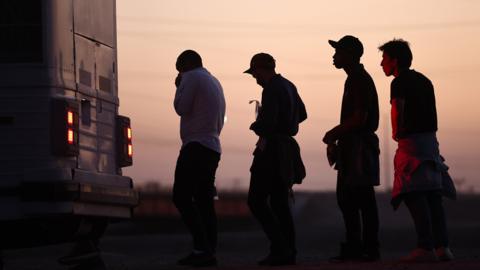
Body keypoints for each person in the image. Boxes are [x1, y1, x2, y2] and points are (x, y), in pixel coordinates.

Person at [379, 39, 456, 262]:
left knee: (412, 191)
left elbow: (398, 108)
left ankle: (425, 246)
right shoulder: (425, 81)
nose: (381, 63)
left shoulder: (399, 82)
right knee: (433, 193)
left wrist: (396, 132)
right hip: (431, 141)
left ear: (394, 61)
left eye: (384, 59)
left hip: (411, 142)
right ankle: (443, 247)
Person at [244, 53, 307, 266]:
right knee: (280, 203)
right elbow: (303, 114)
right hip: (285, 150)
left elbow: (268, 124)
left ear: (261, 69)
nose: (255, 78)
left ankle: (279, 248)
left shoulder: (270, 89)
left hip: (271, 150)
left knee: (256, 201)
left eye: (255, 74)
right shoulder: (289, 85)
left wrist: (256, 124)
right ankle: (289, 252)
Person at [323, 35, 381, 262]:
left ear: (349, 55)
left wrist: (333, 134)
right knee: (359, 199)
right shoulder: (357, 78)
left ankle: (362, 248)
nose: (334, 56)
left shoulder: (357, 79)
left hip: (358, 147)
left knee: (354, 199)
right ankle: (363, 247)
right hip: (356, 145)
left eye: (338, 52)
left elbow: (359, 118)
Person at [172, 50, 226, 267]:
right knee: (204, 201)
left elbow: (181, 108)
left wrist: (178, 87)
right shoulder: (214, 80)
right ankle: (208, 250)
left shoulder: (191, 77)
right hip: (212, 146)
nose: (179, 75)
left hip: (196, 145)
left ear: (185, 65)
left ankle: (201, 247)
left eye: (179, 70)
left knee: (181, 196)